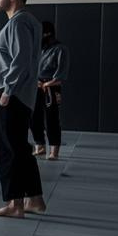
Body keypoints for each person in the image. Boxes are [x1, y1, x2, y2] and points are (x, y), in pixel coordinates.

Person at [0, 0, 47, 218]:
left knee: (6, 149)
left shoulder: (18, 23)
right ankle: (35, 199)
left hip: (8, 98)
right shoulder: (29, 22)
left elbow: (21, 60)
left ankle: (14, 204)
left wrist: (7, 91)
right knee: (20, 149)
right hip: (21, 97)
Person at [31, 21, 69, 160]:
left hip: (52, 88)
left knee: (52, 119)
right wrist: (36, 82)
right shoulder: (38, 49)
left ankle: (54, 151)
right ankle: (39, 146)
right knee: (34, 117)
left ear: (47, 33)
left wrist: (47, 84)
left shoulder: (60, 49)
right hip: (36, 85)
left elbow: (61, 74)